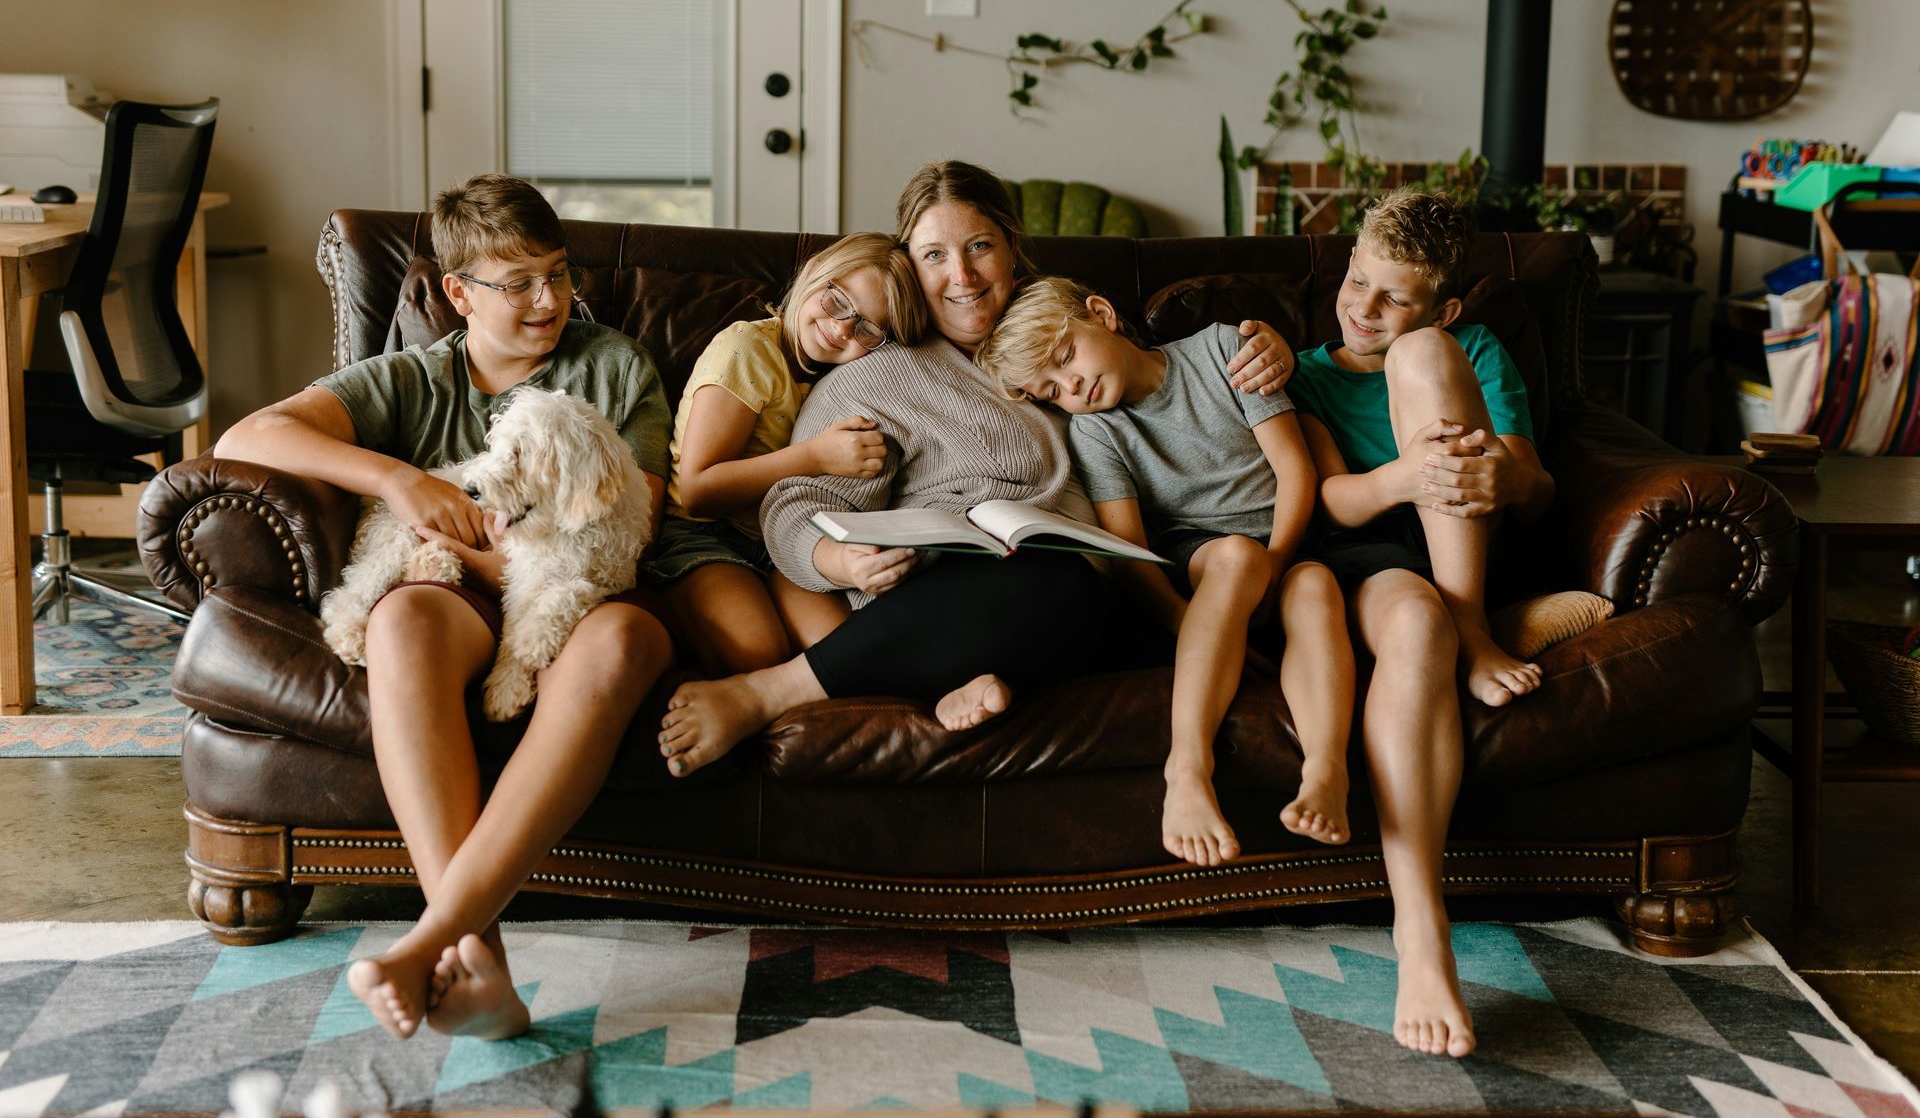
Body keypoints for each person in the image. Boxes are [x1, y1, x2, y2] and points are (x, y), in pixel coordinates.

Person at [214, 174, 675, 1042]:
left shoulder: (613, 365)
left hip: (591, 598)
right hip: (463, 594)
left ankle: (432, 942)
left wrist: (482, 547)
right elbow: (246, 439)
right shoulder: (412, 381)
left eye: (559, 274)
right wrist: (400, 479)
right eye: (517, 283)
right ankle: (485, 970)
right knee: (400, 621)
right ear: (457, 293)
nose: (549, 300)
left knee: (612, 648)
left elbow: (629, 528)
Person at [654, 159, 1296, 767]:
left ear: (1012, 246)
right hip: (957, 593)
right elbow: (794, 510)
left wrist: (1276, 355)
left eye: (979, 246)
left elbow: (1174, 384)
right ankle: (770, 691)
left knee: (1110, 602)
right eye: (935, 254)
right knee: (1055, 582)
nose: (961, 275)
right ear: (910, 264)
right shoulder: (875, 374)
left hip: (1097, 596)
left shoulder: (1063, 336)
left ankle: (982, 676)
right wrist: (840, 560)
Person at [1283, 187, 1555, 1059]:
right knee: (1416, 623)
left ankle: (1471, 621)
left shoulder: (1464, 344)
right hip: (1369, 550)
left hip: (1464, 537)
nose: (1363, 309)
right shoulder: (1303, 371)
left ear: (1445, 300)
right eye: (1357, 280)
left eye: (1392, 297)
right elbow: (1332, 498)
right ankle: (1421, 929)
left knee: (1419, 361)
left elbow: (1535, 482)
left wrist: (1499, 479)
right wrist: (1412, 474)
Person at [974, 276, 1352, 871]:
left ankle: (1326, 771)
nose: (1071, 386)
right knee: (1235, 557)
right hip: (1204, 558)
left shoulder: (1223, 350)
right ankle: (1188, 766)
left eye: (1066, 357)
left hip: (1289, 545)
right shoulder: (1096, 430)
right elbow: (1129, 552)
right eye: (1051, 389)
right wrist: (1183, 621)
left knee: (1317, 586)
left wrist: (1279, 566)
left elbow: (1295, 472)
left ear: (1102, 311)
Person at [652, 232, 925, 674]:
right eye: (837, 301)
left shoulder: (843, 374)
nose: (840, 329)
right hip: (701, 534)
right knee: (760, 649)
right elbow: (698, 491)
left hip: (781, 542)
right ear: (815, 274)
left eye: (868, 329)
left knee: (845, 651)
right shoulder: (749, 349)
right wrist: (816, 457)